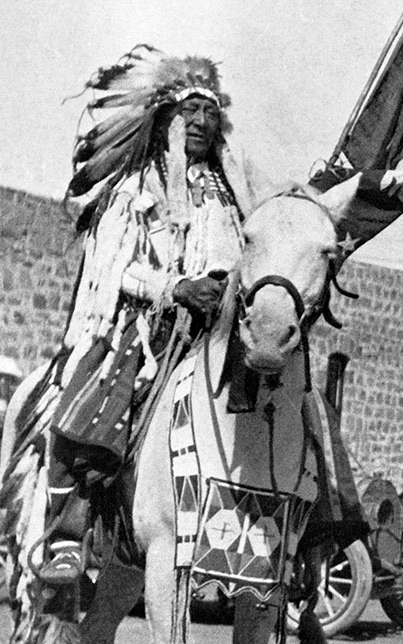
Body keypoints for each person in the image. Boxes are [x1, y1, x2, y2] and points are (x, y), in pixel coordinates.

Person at [26, 47, 258, 586]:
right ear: (164, 121)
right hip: (148, 326)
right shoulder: (133, 189)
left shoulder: (228, 195)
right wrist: (175, 287)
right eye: (188, 111)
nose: (201, 122)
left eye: (209, 112)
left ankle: (303, 535)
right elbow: (114, 269)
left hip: (216, 328)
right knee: (95, 396)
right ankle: (66, 534)